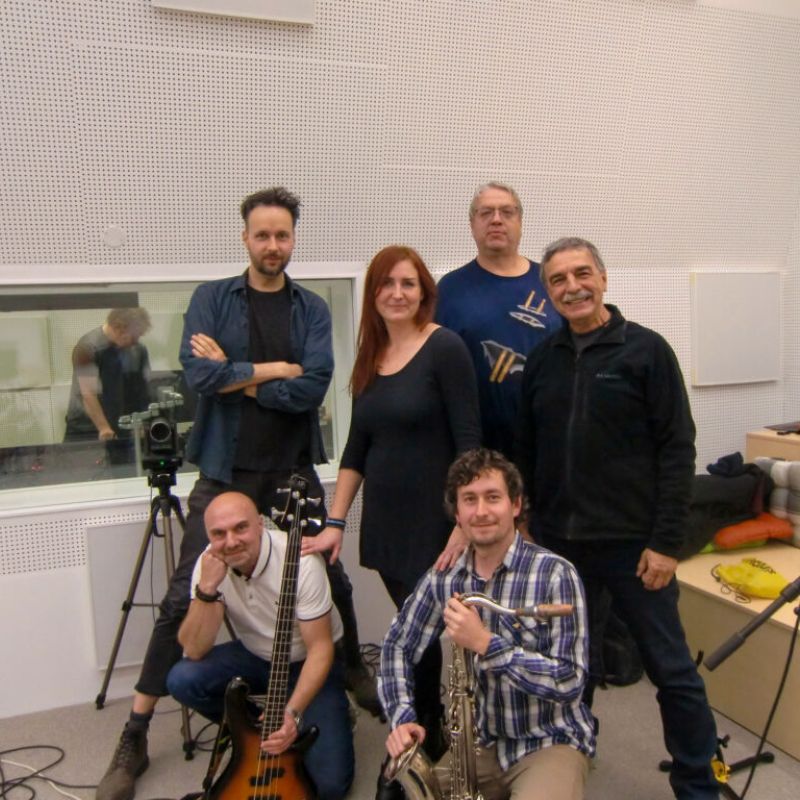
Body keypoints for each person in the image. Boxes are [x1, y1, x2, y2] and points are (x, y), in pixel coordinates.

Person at [96, 188, 375, 800]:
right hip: (225, 472)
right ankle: (135, 731)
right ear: (245, 238)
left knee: (331, 576)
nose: (273, 245)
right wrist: (276, 370)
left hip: (291, 469)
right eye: (262, 235)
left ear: (293, 239)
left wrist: (239, 377)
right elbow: (200, 376)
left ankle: (350, 668)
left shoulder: (310, 309)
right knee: (184, 594)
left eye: (282, 235)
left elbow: (312, 389)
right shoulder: (211, 299)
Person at [515, 237, 720, 799]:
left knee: (672, 672)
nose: (572, 287)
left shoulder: (646, 352)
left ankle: (698, 782)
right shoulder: (543, 360)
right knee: (569, 669)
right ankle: (570, 763)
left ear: (603, 279)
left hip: (636, 548)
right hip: (562, 548)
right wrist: (527, 517)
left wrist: (667, 543)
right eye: (558, 279)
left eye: (582, 273)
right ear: (547, 292)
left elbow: (677, 450)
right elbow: (527, 448)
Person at [302, 245, 481, 767]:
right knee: (412, 633)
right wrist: (336, 521)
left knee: (419, 639)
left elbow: (470, 440)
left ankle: (430, 741)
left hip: (435, 523)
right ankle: (425, 733)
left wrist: (464, 520)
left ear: (424, 293)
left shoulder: (445, 347)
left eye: (408, 283)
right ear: (373, 294)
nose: (397, 293)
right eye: (387, 283)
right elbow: (356, 449)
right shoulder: (372, 357)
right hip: (386, 521)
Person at [378, 448, 595, 800]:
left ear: (515, 505)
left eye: (493, 497)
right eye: (469, 500)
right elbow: (397, 645)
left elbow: (571, 680)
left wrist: (486, 644)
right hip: (479, 744)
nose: (481, 511)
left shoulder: (556, 574)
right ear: (457, 514)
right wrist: (402, 718)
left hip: (549, 740)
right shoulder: (445, 576)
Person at [166, 492, 354, 800]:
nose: (230, 542)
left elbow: (321, 650)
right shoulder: (209, 563)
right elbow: (195, 648)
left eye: (240, 528)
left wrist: (292, 712)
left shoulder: (300, 561)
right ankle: (252, 730)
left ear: (259, 524)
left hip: (307, 661)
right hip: (255, 654)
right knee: (182, 679)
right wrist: (207, 589)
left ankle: (298, 719)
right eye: (218, 533)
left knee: (329, 787)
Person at [435, 182, 562, 461]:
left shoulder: (552, 281)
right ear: (472, 224)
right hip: (478, 450)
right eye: (486, 212)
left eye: (506, 212)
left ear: (520, 222)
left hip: (549, 444)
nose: (496, 219)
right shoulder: (449, 291)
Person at [64, 307, 152, 464]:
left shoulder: (137, 350)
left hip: (121, 425)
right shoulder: (87, 348)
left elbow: (139, 390)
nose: (136, 341)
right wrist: (104, 428)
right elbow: (88, 394)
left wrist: (142, 424)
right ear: (119, 328)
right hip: (87, 427)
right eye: (134, 336)